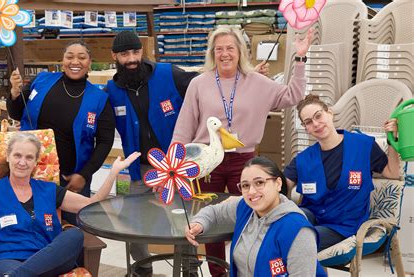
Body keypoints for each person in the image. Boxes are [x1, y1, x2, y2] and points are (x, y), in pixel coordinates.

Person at [106, 30, 271, 275]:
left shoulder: (168, 74)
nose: (131, 58)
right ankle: (143, 271)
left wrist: (245, 78)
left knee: (185, 218)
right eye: (124, 54)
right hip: (138, 169)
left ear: (142, 51)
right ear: (115, 56)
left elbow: (212, 83)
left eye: (135, 51)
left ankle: (191, 269)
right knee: (134, 222)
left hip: (180, 166)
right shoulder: (111, 90)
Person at [172, 26, 312, 276]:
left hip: (244, 163)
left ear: (240, 52)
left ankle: (245, 267)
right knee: (209, 219)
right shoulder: (199, 83)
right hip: (206, 161)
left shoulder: (257, 82)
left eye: (230, 48)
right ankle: (217, 272)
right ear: (212, 53)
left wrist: (300, 58)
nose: (225, 54)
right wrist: (174, 164)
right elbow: (185, 125)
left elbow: (293, 95)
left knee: (250, 213)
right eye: (219, 49)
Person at [0, 133, 140, 277]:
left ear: (36, 162)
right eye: (17, 156)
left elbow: (92, 205)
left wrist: (113, 172)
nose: (22, 162)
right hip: (5, 261)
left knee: (74, 235)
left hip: (49, 260)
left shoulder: (49, 190)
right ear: (8, 156)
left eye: (29, 157)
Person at [7, 41, 115, 225]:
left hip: (71, 180)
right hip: (30, 175)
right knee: (30, 228)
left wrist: (85, 174)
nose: (75, 61)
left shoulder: (99, 99)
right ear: (62, 60)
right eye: (70, 56)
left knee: (75, 230)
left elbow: (105, 141)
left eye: (82, 57)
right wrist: (15, 93)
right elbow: (17, 113)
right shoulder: (41, 81)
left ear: (90, 62)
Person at [284, 94, 401, 251]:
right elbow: (280, 186)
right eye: (309, 122)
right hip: (313, 216)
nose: (316, 124)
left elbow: (392, 173)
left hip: (344, 226)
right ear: (306, 129)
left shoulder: (363, 146)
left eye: (318, 116)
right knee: (284, 224)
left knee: (300, 240)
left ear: (330, 113)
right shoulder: (303, 159)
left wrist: (392, 141)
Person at [186, 156, 326, 277]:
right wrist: (199, 223)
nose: (252, 191)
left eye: (259, 183)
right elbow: (214, 213)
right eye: (245, 185)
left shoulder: (299, 231)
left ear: (278, 183)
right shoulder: (245, 207)